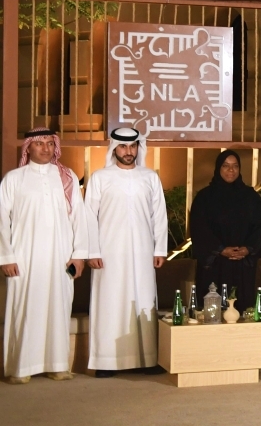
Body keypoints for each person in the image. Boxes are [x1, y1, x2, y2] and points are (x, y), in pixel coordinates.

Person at [0, 129, 88, 383]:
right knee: (24, 308)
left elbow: (79, 217)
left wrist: (79, 254)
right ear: (28, 147)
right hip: (23, 256)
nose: (46, 148)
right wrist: (6, 256)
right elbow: (2, 219)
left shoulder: (67, 177)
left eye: (50, 143)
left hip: (61, 255)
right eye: (39, 143)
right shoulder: (14, 179)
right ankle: (21, 368)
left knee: (58, 307)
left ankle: (57, 365)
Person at [84, 127, 168, 377]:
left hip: (143, 251)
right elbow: (88, 217)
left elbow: (159, 216)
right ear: (114, 148)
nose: (128, 151)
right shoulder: (100, 177)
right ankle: (106, 362)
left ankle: (147, 359)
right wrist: (92, 251)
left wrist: (160, 248)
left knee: (144, 301)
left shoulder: (150, 177)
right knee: (109, 303)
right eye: (123, 146)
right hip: (108, 253)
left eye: (132, 146)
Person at [189, 150, 261, 309]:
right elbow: (199, 229)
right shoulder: (205, 198)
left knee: (241, 311)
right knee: (212, 311)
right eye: (226, 166)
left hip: (242, 267)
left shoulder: (250, 197)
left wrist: (248, 249)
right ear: (218, 168)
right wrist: (221, 249)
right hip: (215, 266)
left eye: (235, 166)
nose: (231, 170)